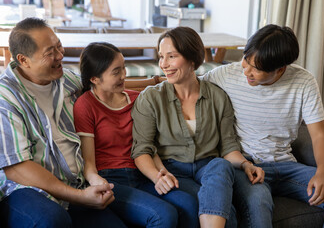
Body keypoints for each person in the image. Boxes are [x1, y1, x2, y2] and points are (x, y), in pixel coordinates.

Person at [202, 24, 324, 227]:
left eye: (256, 69)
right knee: (259, 203)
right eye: (245, 60)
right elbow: (185, 86)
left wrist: (322, 172)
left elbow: (319, 134)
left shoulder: (303, 81)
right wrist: (152, 84)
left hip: (286, 165)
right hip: (248, 166)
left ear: (280, 70)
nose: (247, 72)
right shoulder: (225, 75)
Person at [131, 26, 265, 228]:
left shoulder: (218, 97)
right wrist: (157, 177)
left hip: (209, 169)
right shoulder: (150, 98)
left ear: (192, 59)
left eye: (171, 56)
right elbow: (142, 149)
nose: (163, 64)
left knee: (221, 165)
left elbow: (229, 146)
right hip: (172, 170)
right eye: (161, 57)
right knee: (227, 213)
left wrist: (246, 164)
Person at [0, 18, 125, 227]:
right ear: (23, 60)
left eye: (59, 46)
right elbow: (17, 168)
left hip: (77, 182)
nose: (60, 56)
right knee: (53, 220)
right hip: (25, 189)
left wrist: (158, 86)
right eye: (50, 53)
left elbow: (105, 86)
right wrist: (79, 196)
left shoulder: (67, 81)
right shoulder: (6, 97)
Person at [73, 42, 199, 228]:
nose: (124, 75)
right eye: (116, 72)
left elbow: (148, 146)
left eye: (123, 68)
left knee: (189, 204)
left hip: (142, 174)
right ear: (95, 79)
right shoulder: (85, 106)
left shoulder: (137, 99)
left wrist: (160, 172)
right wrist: (97, 182)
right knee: (163, 215)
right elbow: (89, 165)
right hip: (111, 180)